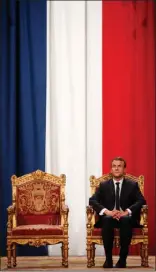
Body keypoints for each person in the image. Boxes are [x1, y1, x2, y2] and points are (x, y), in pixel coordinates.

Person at [89, 157, 146, 268]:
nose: (116, 168)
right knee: (107, 220)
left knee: (126, 220)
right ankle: (108, 260)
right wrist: (107, 212)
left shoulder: (132, 185)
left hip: (126, 218)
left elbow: (141, 200)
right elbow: (92, 200)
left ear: (124, 169)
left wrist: (127, 211)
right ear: (111, 169)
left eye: (119, 166)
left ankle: (122, 260)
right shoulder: (103, 185)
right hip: (109, 218)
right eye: (114, 166)